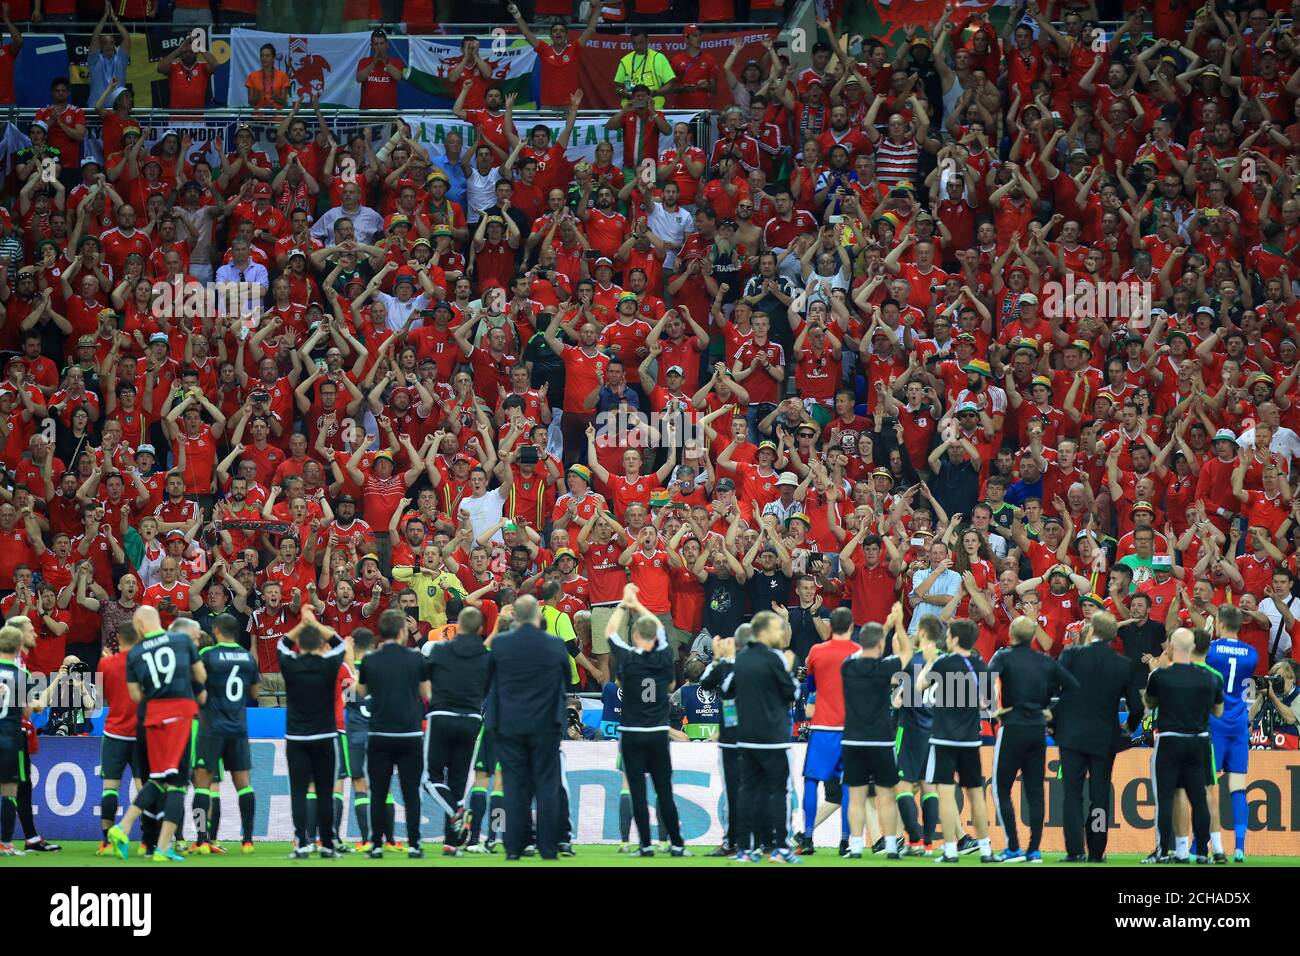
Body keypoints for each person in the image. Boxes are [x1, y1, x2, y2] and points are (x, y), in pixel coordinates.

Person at [106, 605, 205, 863]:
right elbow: (201, 675)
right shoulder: (181, 640)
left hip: (152, 719)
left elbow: (136, 695)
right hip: (181, 715)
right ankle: (160, 849)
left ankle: (123, 827)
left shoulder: (135, 653)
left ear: (139, 625)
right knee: (177, 783)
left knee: (159, 779)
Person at [1054, 610, 1145, 863]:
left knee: (1072, 794)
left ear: (1091, 631)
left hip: (1071, 736)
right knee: (1100, 796)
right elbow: (1137, 707)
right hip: (1104, 739)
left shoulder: (1071, 655)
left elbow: (1055, 688)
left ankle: (1074, 851)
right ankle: (1096, 852)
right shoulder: (1122, 664)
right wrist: (1128, 728)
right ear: (1112, 636)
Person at [484, 594, 570, 861]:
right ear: (537, 615)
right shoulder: (555, 645)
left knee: (514, 786)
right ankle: (548, 848)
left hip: (509, 725)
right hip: (545, 725)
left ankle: (514, 848)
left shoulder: (500, 645)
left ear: (515, 616)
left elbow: (487, 680)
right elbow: (566, 680)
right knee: (547, 786)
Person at [604, 583, 687, 857]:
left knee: (637, 790)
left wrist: (623, 604)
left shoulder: (627, 658)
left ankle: (646, 846)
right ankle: (676, 844)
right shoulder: (664, 657)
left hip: (631, 733)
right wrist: (638, 604)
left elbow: (610, 633)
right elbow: (660, 629)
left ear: (636, 637)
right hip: (658, 732)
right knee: (664, 789)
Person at [987, 615, 1079, 862]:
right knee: (1035, 791)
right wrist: (1051, 712)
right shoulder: (1045, 660)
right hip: (1037, 729)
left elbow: (984, 681)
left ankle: (1013, 847)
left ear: (1012, 635)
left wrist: (993, 709)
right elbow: (1072, 686)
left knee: (1002, 788)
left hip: (1013, 727)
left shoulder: (1004, 656)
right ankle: (1033, 850)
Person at [1144, 627, 1225, 864]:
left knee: (1166, 796)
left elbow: (1150, 703)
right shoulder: (1211, 677)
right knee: (1199, 798)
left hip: (1169, 739)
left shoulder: (1161, 676)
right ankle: (1201, 851)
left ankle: (1173, 851)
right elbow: (1218, 711)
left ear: (1171, 647)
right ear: (1192, 648)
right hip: (1198, 740)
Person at [727, 608, 799, 863]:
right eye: (778, 628)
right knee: (778, 792)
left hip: (746, 736)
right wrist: (789, 668)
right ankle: (779, 847)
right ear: (765, 632)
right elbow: (792, 693)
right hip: (773, 737)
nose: (781, 632)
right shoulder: (776, 658)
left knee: (748, 792)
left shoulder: (741, 658)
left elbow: (727, 689)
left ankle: (745, 850)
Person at [920, 617, 994, 864]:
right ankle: (985, 850)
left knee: (947, 794)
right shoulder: (979, 664)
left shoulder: (942, 663)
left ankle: (950, 850)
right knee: (976, 795)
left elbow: (920, 686)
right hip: (970, 740)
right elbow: (988, 703)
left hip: (943, 739)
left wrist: (930, 660)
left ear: (954, 639)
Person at [840, 603, 911, 860]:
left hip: (852, 740)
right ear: (881, 645)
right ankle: (892, 847)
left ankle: (857, 847)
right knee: (886, 797)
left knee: (857, 798)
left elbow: (863, 649)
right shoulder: (885, 668)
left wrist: (885, 627)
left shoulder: (848, 666)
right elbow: (906, 652)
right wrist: (898, 624)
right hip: (881, 741)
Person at [357, 608, 429, 859]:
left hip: (380, 734)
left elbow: (361, 691)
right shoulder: (416, 658)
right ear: (401, 631)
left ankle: (376, 845)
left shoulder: (369, 659)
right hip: (409, 734)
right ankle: (415, 844)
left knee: (378, 791)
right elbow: (426, 694)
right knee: (411, 792)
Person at [277, 605, 348, 859]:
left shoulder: (290, 663)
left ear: (299, 645)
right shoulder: (328, 664)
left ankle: (302, 844)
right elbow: (340, 645)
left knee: (298, 791)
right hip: (325, 736)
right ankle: (327, 845)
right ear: (320, 645)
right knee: (325, 792)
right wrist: (315, 623)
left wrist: (302, 624)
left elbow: (281, 645)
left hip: (296, 738)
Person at [421, 606, 490, 858]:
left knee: (431, 779)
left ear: (457, 627)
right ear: (480, 629)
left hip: (442, 716)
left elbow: (422, 676)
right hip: (471, 719)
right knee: (458, 782)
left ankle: (457, 814)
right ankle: (452, 843)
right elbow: (489, 687)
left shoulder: (440, 650)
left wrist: (432, 697)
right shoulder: (486, 656)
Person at [191, 613, 260, 855]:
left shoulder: (207, 656)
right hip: (238, 728)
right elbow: (255, 693)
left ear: (217, 630)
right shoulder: (248, 658)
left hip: (212, 728)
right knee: (244, 785)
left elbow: (196, 685)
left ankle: (202, 839)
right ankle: (248, 840)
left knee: (202, 785)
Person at [795, 603, 858, 855]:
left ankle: (808, 838)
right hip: (851, 730)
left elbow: (810, 687)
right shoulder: (859, 652)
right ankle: (845, 841)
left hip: (822, 726)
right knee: (848, 785)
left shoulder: (817, 651)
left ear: (830, 627)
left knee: (812, 781)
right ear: (852, 627)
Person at [1204, 604, 1259, 862]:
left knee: (1207, 786)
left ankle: (1200, 844)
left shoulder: (1211, 650)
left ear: (1220, 623)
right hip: (1238, 723)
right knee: (1238, 787)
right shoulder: (1252, 654)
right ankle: (1239, 848)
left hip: (1214, 721)